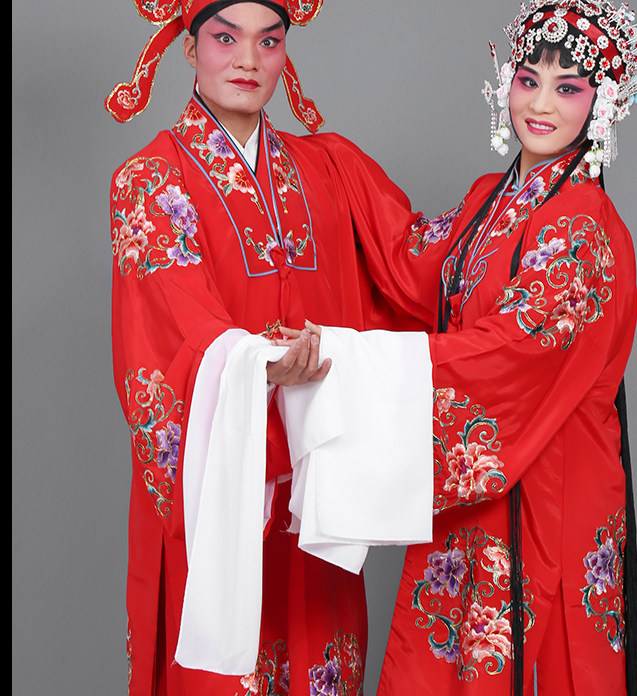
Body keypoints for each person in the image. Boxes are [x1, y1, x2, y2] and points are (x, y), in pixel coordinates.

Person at [285, 1, 637, 694]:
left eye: (568, 88)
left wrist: (353, 359)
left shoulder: (583, 226)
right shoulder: (492, 198)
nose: (539, 105)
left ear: (602, 104)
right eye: (528, 80)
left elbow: (508, 353)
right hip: (482, 478)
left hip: (552, 485)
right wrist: (321, 160)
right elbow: (407, 266)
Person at [106, 1, 441, 693]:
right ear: (189, 48)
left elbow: (418, 266)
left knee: (319, 650)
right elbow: (174, 318)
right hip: (222, 475)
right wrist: (258, 363)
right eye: (225, 38)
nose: (247, 61)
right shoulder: (151, 179)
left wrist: (522, 202)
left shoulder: (331, 167)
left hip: (315, 478)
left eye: (269, 41)